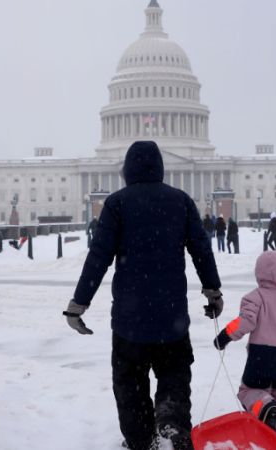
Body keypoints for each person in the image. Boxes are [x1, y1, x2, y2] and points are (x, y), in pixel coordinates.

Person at [63, 141, 223, 450]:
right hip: (172, 317)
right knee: (174, 376)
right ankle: (171, 424)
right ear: (160, 168)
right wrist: (212, 290)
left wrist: (78, 304)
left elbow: (98, 257)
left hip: (129, 320)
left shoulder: (117, 204)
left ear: (126, 170)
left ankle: (140, 440)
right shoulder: (181, 201)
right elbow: (201, 251)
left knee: (131, 385)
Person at [214, 251, 276, 439]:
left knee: (249, 391)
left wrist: (225, 335)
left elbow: (246, 321)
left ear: (259, 272)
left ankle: (265, 407)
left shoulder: (255, 297)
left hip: (263, 354)